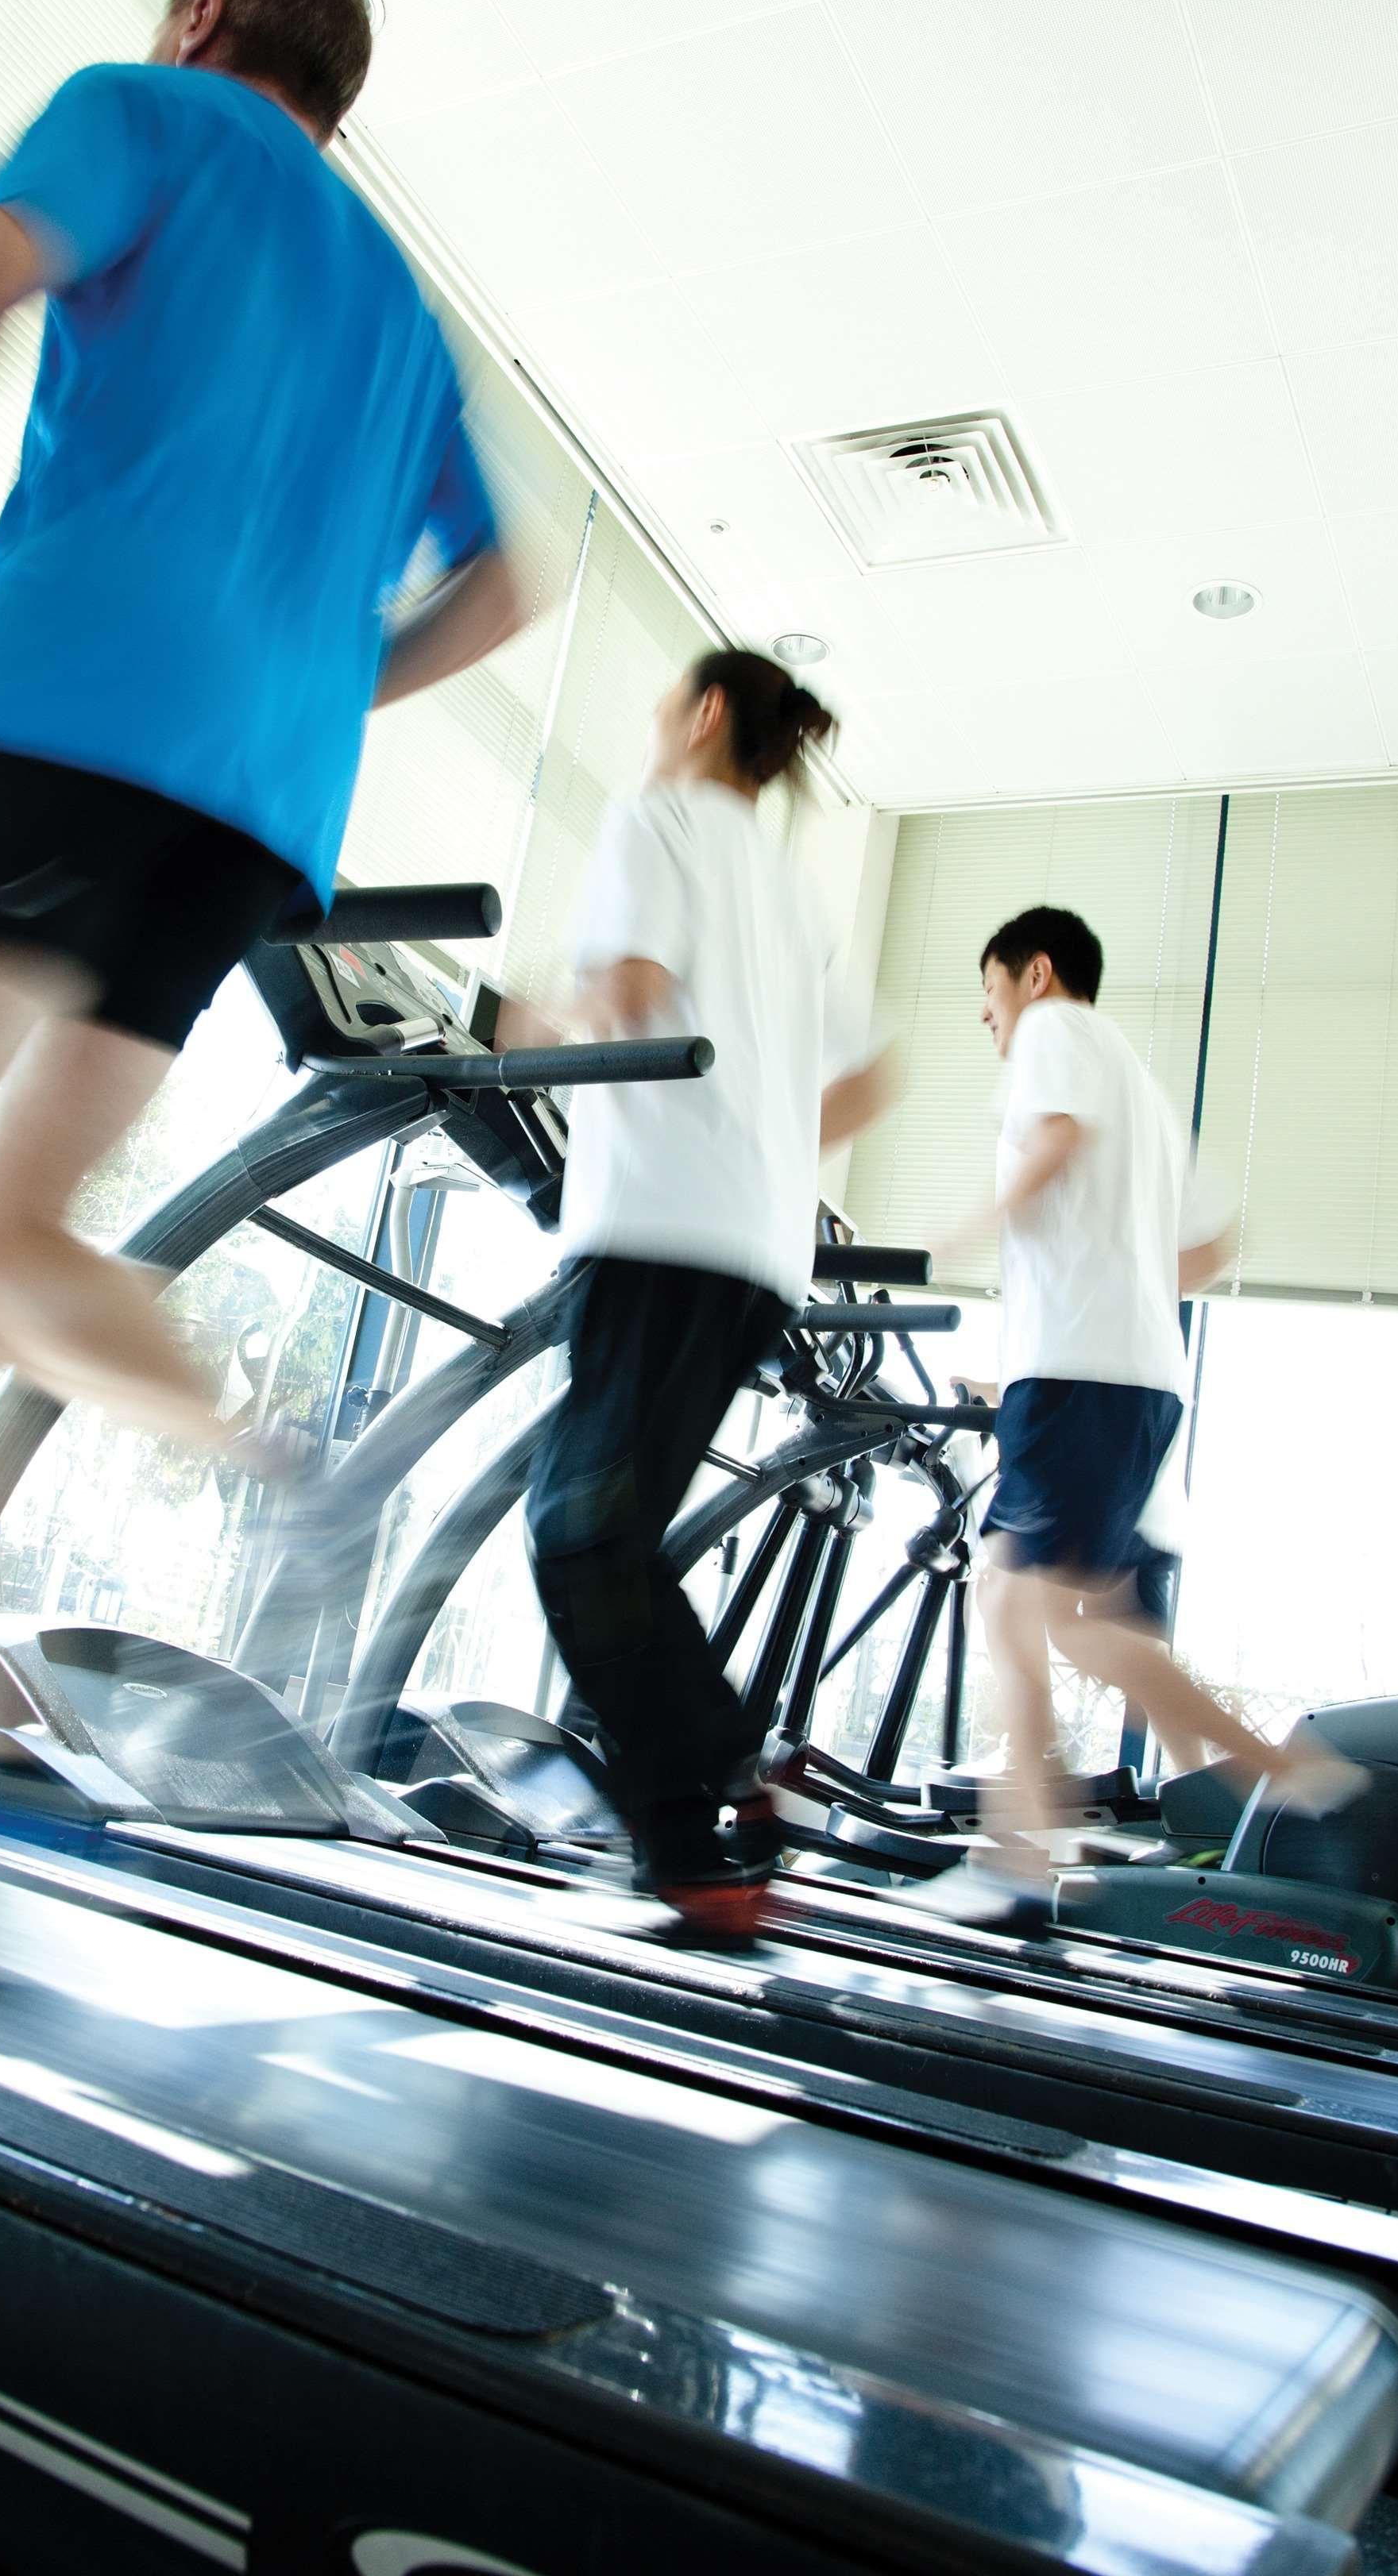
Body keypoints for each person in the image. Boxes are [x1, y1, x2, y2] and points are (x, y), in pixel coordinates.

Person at [0, 0, 521, 1718]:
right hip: (248, 818)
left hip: (70, 725)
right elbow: (504, 591)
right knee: (7, 1253)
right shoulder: (398, 301)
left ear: (202, 17)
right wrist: (306, 688)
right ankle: (281, 1464)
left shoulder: (141, 111)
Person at [519, 650, 896, 1945]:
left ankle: (717, 1789)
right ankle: (713, 1817)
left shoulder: (656, 819)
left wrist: (533, 1028)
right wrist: (769, 1141)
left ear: (708, 713)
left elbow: (625, 997)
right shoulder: (790, 890)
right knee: (604, 1540)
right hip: (750, 1253)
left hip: (662, 1229)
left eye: (661, 700)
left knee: (580, 1538)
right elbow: (870, 1078)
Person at [937, 904, 1361, 1917]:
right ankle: (1285, 1775)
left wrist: (958, 1232)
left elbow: (1053, 1138)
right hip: (1128, 1378)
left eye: (989, 996)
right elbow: (1212, 1248)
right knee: (1075, 1621)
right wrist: (1109, 1286)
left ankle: (1022, 1851)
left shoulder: (1056, 1034)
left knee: (1014, 1603)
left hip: (1079, 1376)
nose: (988, 1021)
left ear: (1035, 975)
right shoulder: (1143, 1084)